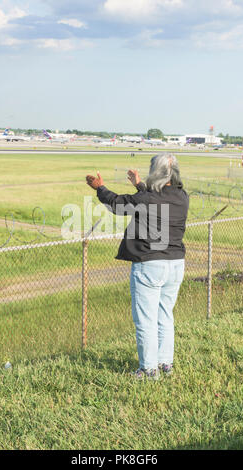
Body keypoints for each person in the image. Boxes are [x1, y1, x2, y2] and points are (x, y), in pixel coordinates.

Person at [86, 153, 189, 380]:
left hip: (150, 264)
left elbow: (116, 204)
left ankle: (148, 369)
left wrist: (99, 188)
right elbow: (155, 198)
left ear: (156, 172)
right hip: (175, 264)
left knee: (145, 319)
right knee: (165, 315)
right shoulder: (182, 196)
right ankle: (165, 364)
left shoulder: (147, 200)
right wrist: (139, 185)